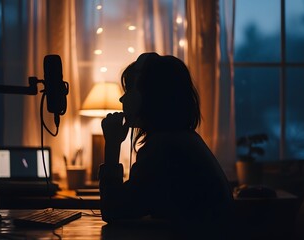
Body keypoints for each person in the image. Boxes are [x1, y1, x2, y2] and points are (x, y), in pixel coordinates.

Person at [99, 52, 234, 234]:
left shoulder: (163, 148)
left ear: (144, 97)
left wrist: (113, 145)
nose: (123, 99)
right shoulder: (183, 140)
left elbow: (114, 210)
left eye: (129, 91)